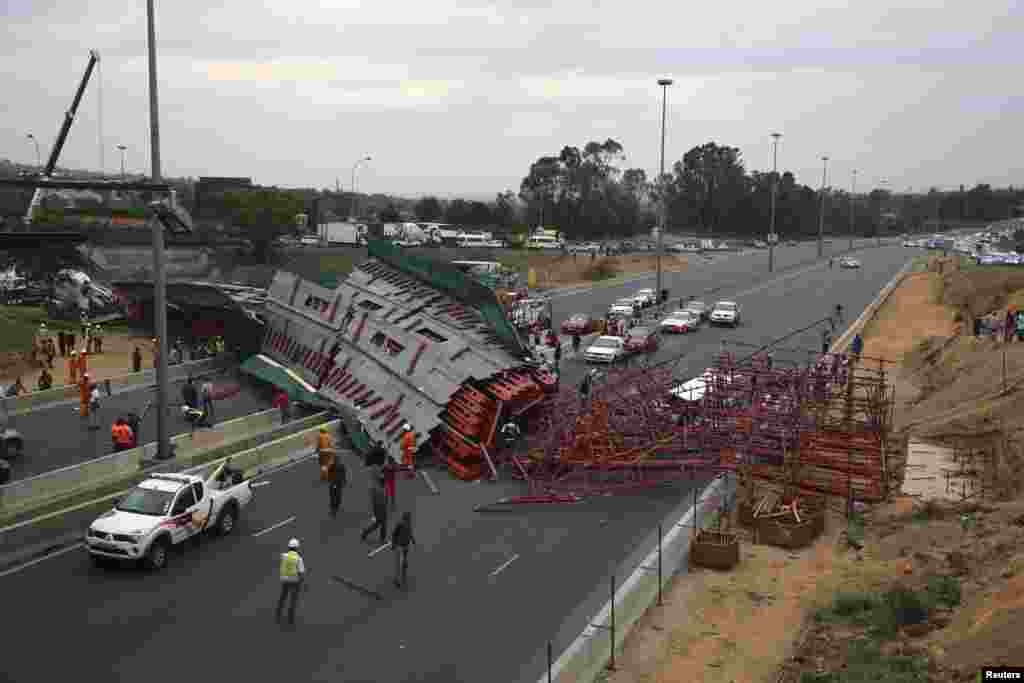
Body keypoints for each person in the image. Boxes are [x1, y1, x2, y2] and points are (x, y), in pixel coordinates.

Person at [276, 538, 306, 626]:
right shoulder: (298, 559)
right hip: (294, 580)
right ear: (297, 548)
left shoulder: (284, 556)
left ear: (289, 547)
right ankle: (290, 618)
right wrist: (301, 582)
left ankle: (278, 612)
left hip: (284, 579)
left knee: (283, 596)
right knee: (293, 599)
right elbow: (301, 572)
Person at [360, 474, 389, 545]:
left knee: (377, 524)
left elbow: (384, 499)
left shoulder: (380, 488)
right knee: (383, 524)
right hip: (380, 509)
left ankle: (365, 532)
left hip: (380, 508)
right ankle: (382, 539)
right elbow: (379, 500)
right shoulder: (380, 489)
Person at [391, 511, 416, 589]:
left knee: (404, 559)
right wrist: (393, 544)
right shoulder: (400, 525)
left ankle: (404, 564)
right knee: (398, 563)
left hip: (406, 546)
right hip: (399, 546)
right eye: (407, 518)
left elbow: (410, 532)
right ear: (404, 518)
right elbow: (394, 534)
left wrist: (412, 539)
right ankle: (396, 579)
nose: (408, 520)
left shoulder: (408, 524)